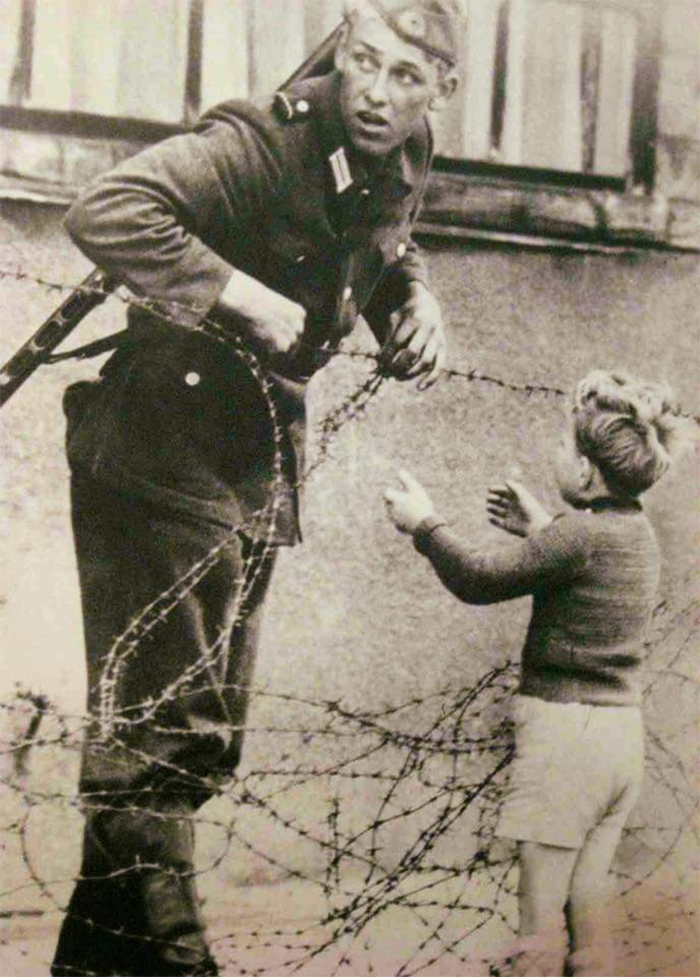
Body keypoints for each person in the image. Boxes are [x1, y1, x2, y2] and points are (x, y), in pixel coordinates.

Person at [51, 2, 463, 975]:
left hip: (252, 471)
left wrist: (413, 299)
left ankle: (91, 963)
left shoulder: (404, 155)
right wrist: (238, 295)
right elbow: (106, 209)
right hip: (159, 455)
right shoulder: (259, 139)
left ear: (440, 91)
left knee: (191, 744)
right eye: (362, 61)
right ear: (341, 53)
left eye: (406, 77)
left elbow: (387, 238)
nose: (374, 91)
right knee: (163, 740)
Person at [384, 370, 691, 977]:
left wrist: (425, 525)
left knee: (538, 922)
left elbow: (477, 579)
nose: (554, 453)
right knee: (589, 900)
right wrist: (544, 531)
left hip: (564, 742)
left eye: (563, 446)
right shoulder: (637, 535)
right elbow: (587, 568)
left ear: (585, 471)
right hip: (618, 739)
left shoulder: (576, 536)